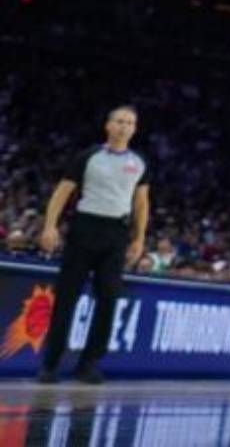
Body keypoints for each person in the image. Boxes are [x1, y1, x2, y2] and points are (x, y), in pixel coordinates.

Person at [35, 105, 151, 384]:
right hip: (85, 227)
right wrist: (50, 226)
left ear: (134, 129)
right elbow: (62, 192)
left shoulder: (139, 162)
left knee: (108, 300)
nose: (124, 126)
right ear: (108, 126)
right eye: (120, 121)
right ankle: (50, 364)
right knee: (66, 298)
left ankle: (89, 364)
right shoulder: (89, 156)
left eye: (130, 123)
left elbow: (141, 203)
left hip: (116, 233)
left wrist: (139, 238)